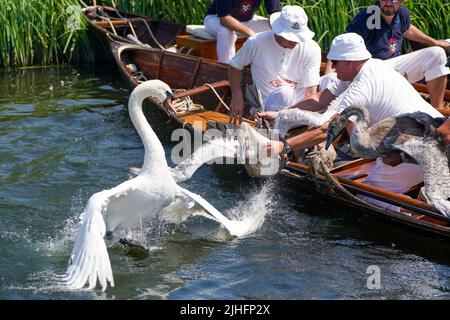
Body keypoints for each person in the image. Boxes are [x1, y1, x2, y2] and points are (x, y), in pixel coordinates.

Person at [258, 33, 445, 210]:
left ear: (349, 62)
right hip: (437, 134)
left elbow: (326, 129)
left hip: (416, 148)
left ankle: (417, 210)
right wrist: (282, 114)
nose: (332, 67)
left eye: (336, 62)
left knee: (370, 199)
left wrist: (284, 146)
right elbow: (320, 100)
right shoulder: (366, 68)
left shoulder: (361, 87)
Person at [345, 0, 450, 108]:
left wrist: (435, 42)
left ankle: (437, 112)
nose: (389, 3)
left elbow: (407, 29)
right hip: (371, 73)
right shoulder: (368, 17)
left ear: (402, 1)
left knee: (437, 53)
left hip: (393, 70)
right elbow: (344, 43)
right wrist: (331, 71)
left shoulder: (401, 14)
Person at [228, 5, 321, 124]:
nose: (294, 41)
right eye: (289, 37)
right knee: (285, 93)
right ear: (277, 30)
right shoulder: (256, 42)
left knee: (330, 81)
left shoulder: (312, 48)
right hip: (267, 102)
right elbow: (235, 65)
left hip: (299, 106)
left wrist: (298, 114)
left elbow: (310, 92)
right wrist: (237, 96)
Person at [204, 0, 281, 63]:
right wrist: (251, 33)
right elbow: (224, 19)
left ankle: (275, 64)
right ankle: (227, 66)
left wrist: (277, 30)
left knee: (275, 28)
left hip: (246, 20)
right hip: (215, 18)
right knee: (226, 32)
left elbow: (274, 15)